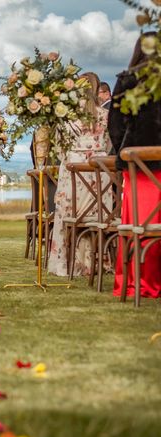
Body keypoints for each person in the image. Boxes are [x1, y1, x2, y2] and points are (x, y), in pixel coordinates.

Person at [109, 32, 161, 299]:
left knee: (140, 226)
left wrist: (123, 152)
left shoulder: (127, 80)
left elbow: (115, 125)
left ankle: (137, 281)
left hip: (138, 168)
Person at [48, 72, 112, 277]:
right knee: (97, 215)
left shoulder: (67, 117)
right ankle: (96, 261)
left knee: (69, 214)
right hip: (100, 171)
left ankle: (66, 263)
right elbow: (110, 145)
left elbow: (59, 148)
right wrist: (97, 153)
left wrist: (73, 155)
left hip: (73, 170)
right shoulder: (105, 116)